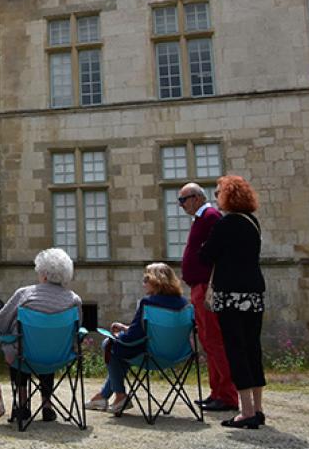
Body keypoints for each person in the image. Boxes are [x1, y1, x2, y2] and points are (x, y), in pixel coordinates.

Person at [200, 174, 267, 429]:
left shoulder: (226, 224)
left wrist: (208, 246)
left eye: (218, 192)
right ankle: (258, 408)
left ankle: (246, 411)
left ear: (228, 195)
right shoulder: (253, 222)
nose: (216, 197)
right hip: (254, 291)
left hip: (231, 293)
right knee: (253, 348)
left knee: (235, 348)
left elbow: (206, 255)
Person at [0, 247, 82, 423]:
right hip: (58, 357)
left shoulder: (24, 294)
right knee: (48, 344)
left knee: (19, 345)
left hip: (25, 356)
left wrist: (4, 338)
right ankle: (47, 405)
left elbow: (1, 322)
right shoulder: (74, 300)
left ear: (45, 274)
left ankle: (23, 404)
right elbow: (76, 332)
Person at [87, 262, 188, 414]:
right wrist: (126, 329)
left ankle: (119, 395)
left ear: (155, 281)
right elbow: (152, 332)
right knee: (120, 351)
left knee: (109, 344)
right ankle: (103, 396)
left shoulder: (148, 303)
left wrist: (117, 335)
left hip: (151, 355)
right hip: (178, 355)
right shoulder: (185, 304)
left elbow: (132, 338)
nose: (143, 284)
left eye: (145, 280)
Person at [178, 182, 239, 413]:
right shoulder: (202, 219)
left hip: (207, 287)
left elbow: (217, 253)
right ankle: (217, 393)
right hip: (198, 286)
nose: (181, 205)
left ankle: (228, 395)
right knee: (208, 340)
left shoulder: (211, 216)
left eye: (183, 200)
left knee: (214, 340)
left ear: (196, 198)